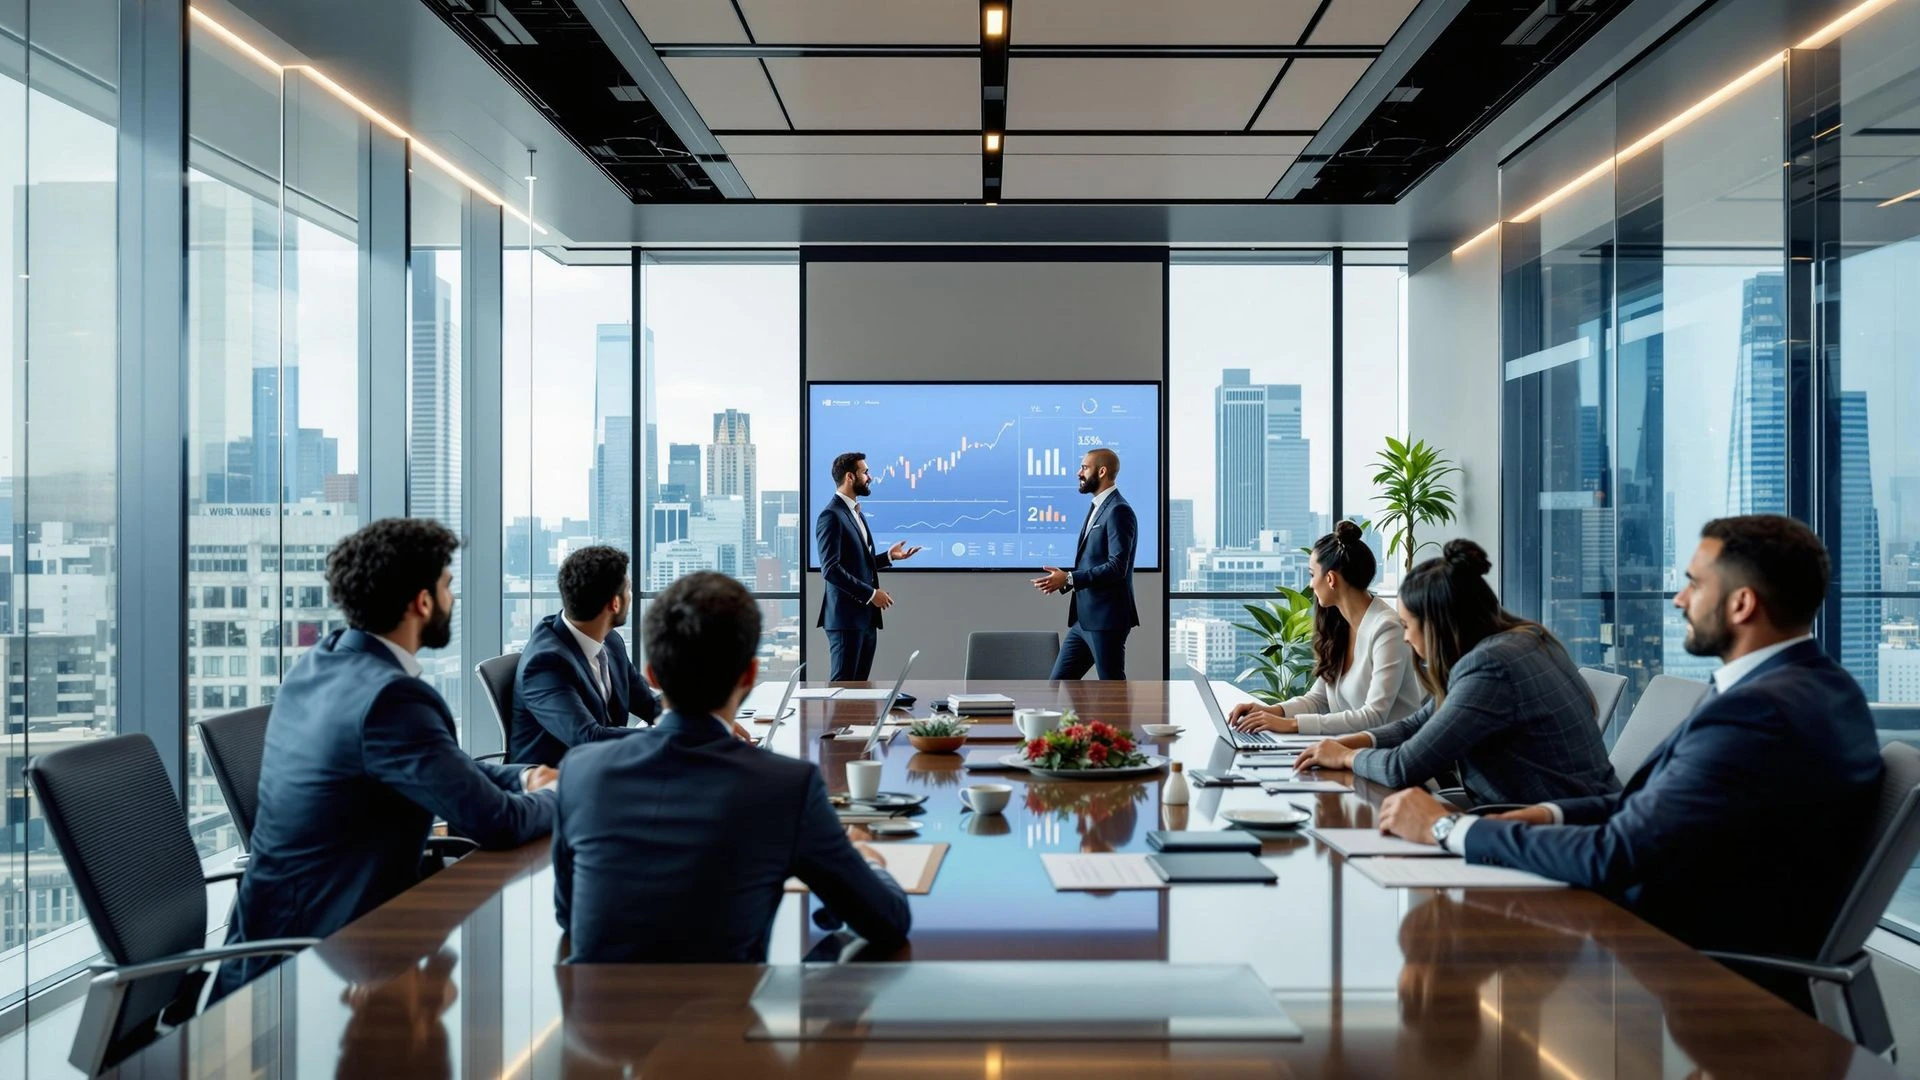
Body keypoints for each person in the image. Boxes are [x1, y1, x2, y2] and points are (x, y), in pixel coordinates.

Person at [1375, 515, 1883, 1010]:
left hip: (1680, 962)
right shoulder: (1825, 689)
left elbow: (1612, 857)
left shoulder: (1755, 714)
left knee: (1435, 960)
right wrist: (1553, 813)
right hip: (1684, 925)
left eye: (1693, 584)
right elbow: (1660, 811)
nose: (1680, 599)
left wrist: (1447, 830)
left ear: (1742, 603)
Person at [215, 519, 557, 999]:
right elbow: (495, 823)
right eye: (447, 586)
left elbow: (446, 767)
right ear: (421, 602)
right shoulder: (392, 698)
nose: (452, 599)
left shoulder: (320, 663)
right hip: (315, 967)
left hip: (276, 942)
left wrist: (523, 776)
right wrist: (560, 795)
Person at [553, 571, 912, 962]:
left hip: (594, 1018)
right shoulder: (786, 787)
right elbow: (887, 922)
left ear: (653, 674)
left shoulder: (580, 772)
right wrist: (866, 860)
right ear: (750, 676)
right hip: (724, 1019)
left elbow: (569, 916)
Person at [1292, 539, 1617, 807]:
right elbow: (1418, 722)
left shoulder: (1490, 668)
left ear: (1437, 626)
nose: (1404, 637)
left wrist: (1346, 757)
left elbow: (1403, 767)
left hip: (1554, 829)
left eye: (1407, 625)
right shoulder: (1526, 639)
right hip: (1579, 812)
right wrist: (1350, 742)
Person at [1227, 520, 1423, 735]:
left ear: (1330, 579)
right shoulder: (1340, 624)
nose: (1310, 585)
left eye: (1312, 575)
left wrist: (1292, 724)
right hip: (1349, 750)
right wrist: (1272, 711)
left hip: (1389, 757)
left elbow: (1374, 716)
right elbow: (1318, 699)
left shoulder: (1387, 629)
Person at [509, 545, 663, 767]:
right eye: (628, 589)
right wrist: (671, 736)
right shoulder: (545, 664)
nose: (631, 595)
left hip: (603, 769)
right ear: (615, 602)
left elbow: (647, 703)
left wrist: (704, 722)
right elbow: (587, 737)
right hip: (556, 786)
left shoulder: (611, 642)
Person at [1032, 448, 1139, 680]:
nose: (1078, 472)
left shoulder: (1119, 510)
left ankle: (1117, 720)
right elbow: (1092, 559)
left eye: (1084, 467)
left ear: (1102, 472)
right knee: (1057, 686)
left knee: (1113, 689)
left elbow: (1117, 566)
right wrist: (1065, 579)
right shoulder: (1098, 507)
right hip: (1084, 621)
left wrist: (1070, 578)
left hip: (1106, 621)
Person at [815, 451, 922, 681]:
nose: (870, 477)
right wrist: (872, 594)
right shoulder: (831, 516)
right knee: (843, 689)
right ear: (850, 477)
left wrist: (889, 557)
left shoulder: (855, 514)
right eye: (865, 472)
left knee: (859, 690)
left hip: (865, 619)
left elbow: (857, 563)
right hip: (846, 620)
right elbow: (831, 569)